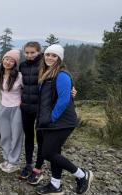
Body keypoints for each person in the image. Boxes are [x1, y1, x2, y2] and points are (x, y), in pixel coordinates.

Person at [35, 44, 93, 195]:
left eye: (54, 56)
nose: (50, 58)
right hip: (50, 121)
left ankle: (82, 175)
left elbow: (63, 100)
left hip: (61, 122)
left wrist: (52, 118)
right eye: (48, 54)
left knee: (47, 152)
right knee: (55, 152)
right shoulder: (46, 73)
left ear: (59, 58)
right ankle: (55, 185)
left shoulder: (62, 75)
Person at [18, 42, 45, 183]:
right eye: (27, 52)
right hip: (26, 107)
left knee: (41, 139)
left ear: (39, 52)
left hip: (41, 109)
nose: (29, 55)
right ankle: (28, 165)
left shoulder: (44, 65)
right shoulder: (22, 65)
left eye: (32, 52)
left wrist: (72, 90)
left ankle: (38, 169)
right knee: (28, 137)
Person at [0, 50, 24, 173]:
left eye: (11, 60)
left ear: (15, 63)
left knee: (17, 135)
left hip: (16, 108)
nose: (8, 62)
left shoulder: (19, 76)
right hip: (3, 107)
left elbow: (31, 89)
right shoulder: (0, 73)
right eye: (6, 59)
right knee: (5, 135)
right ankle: (7, 158)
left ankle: (14, 162)